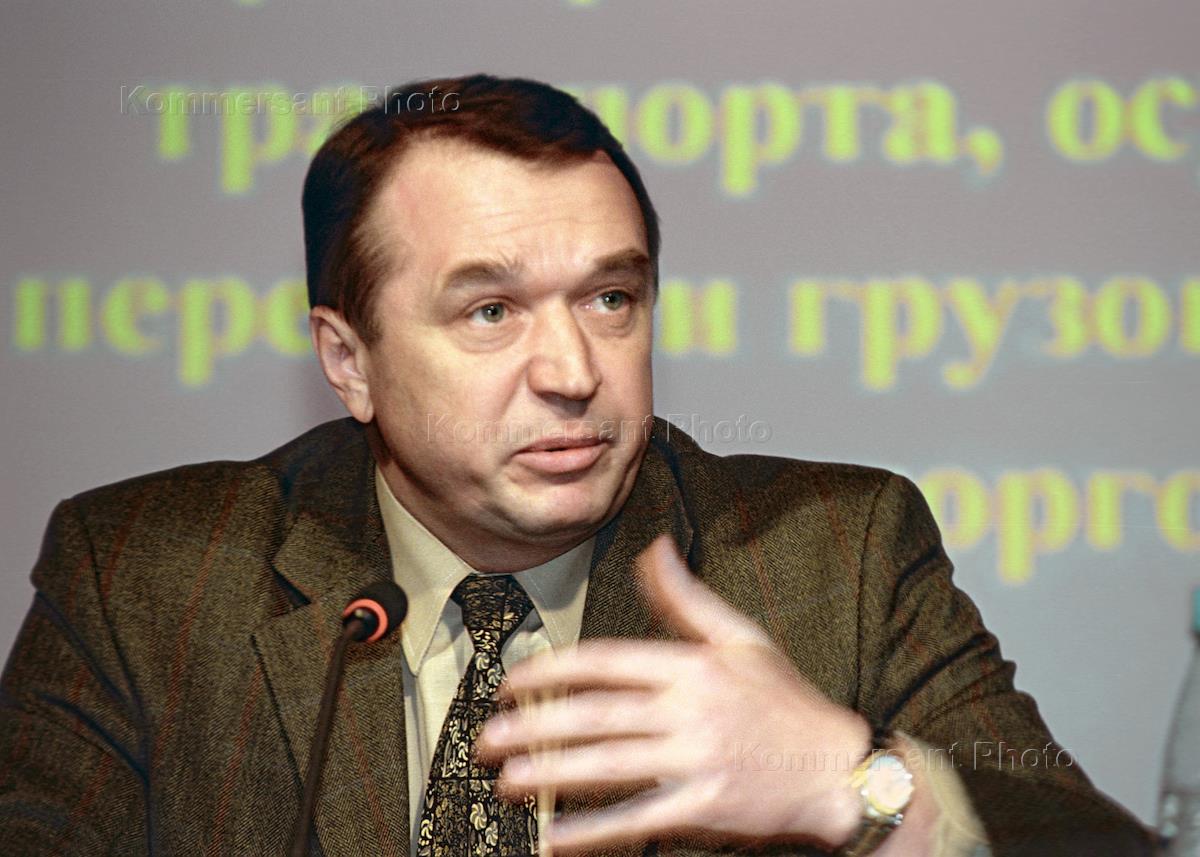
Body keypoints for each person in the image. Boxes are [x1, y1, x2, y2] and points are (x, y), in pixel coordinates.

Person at [0, 74, 1155, 857]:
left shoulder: (837, 556)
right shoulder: (149, 577)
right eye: (490, 310)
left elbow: (1095, 842)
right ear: (349, 361)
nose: (573, 370)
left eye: (612, 297)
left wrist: (849, 781)